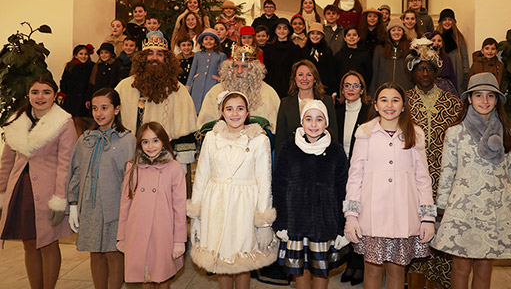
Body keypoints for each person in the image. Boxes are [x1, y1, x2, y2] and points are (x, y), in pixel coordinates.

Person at [432, 73, 511, 289]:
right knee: (460, 267)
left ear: (497, 99)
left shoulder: (509, 133)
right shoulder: (455, 133)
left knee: (485, 268)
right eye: (478, 95)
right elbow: (448, 172)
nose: (484, 101)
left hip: (495, 208)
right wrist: (441, 209)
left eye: (490, 96)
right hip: (463, 208)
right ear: (469, 98)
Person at [344, 82, 435, 289]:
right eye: (384, 100)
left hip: (403, 215)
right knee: (373, 271)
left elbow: (423, 178)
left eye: (395, 100)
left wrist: (427, 218)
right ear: (375, 105)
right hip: (372, 216)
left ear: (403, 106)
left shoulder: (415, 133)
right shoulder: (364, 133)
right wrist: (351, 216)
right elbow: (355, 177)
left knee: (396, 271)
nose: (389, 105)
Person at [188, 91, 278, 288]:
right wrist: (196, 215)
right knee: (221, 260)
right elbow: (202, 176)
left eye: (240, 108)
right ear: (221, 112)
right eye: (229, 109)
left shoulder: (259, 140)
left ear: (247, 113)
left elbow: (264, 182)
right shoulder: (212, 138)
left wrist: (263, 223)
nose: (234, 113)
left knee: (242, 260)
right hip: (216, 206)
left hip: (244, 208)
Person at [0, 75, 78, 289]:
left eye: (46, 92)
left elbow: (66, 163)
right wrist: (2, 192)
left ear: (55, 95)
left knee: (48, 243)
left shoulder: (64, 122)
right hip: (21, 189)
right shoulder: (17, 120)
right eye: (35, 92)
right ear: (29, 94)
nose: (40, 97)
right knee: (29, 243)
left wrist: (60, 198)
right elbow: (7, 160)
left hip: (49, 192)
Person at [273, 99, 349, 289]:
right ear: (302, 121)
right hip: (295, 222)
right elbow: (279, 186)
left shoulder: (336, 151)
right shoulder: (289, 148)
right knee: (300, 271)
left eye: (319, 119)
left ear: (326, 123)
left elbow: (343, 190)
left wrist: (342, 226)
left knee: (321, 271)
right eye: (308, 119)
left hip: (325, 223)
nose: (313, 124)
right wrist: (280, 222)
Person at [404, 45, 462, 289]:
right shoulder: (403, 101)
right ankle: (415, 281)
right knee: (415, 230)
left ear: (436, 72)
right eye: (420, 69)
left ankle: (440, 282)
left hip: (445, 177)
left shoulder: (453, 103)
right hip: (412, 177)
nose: (425, 73)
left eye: (429, 68)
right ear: (413, 73)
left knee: (443, 230)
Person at [67, 88, 135, 289]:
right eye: (95, 108)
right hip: (90, 205)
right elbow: (76, 172)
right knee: (94, 252)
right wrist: (73, 203)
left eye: (105, 108)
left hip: (115, 206)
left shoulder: (127, 140)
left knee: (113, 253)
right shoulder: (85, 139)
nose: (99, 113)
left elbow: (132, 179)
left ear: (117, 109)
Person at [118, 122, 187, 288]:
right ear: (140, 144)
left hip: (162, 231)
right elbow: (125, 203)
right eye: (145, 141)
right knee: (144, 276)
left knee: (163, 275)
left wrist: (179, 240)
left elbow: (180, 208)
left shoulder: (174, 168)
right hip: (137, 230)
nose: (150, 146)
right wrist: (122, 235)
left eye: (155, 140)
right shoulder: (132, 167)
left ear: (163, 141)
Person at [115, 38, 197, 166]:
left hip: (166, 161)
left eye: (159, 54)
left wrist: (180, 163)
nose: (154, 57)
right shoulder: (124, 87)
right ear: (142, 58)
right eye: (149, 53)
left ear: (167, 59)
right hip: (130, 158)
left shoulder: (178, 90)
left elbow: (186, 128)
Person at [335, 71, 371, 286]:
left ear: (362, 89)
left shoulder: (369, 112)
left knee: (360, 215)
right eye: (346, 85)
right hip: (341, 170)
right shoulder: (336, 109)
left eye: (355, 85)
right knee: (344, 216)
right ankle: (349, 262)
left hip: (363, 170)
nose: (350, 89)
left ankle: (360, 264)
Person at [197, 44, 280, 133]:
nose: (239, 71)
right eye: (235, 66)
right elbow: (205, 126)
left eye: (244, 66)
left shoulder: (268, 93)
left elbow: (274, 128)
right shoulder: (215, 92)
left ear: (253, 69)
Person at [274, 60, 338, 157]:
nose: (304, 78)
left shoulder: (326, 101)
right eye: (300, 75)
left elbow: (333, 134)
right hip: (293, 159)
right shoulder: (285, 103)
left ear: (315, 79)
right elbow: (280, 140)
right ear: (294, 79)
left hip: (321, 158)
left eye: (309, 75)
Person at [185, 28, 227, 114]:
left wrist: (222, 83)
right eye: (206, 39)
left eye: (211, 39)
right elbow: (192, 71)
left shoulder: (221, 56)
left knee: (210, 104)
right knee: (196, 105)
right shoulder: (197, 55)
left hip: (213, 83)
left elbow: (224, 72)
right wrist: (188, 85)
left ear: (215, 42)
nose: (208, 41)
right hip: (198, 84)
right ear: (202, 42)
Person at [370, 18, 413, 94]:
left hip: (404, 91)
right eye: (393, 30)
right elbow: (375, 73)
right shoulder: (380, 49)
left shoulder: (410, 49)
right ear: (389, 32)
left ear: (403, 32)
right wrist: (373, 94)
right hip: (384, 91)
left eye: (399, 30)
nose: (396, 32)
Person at [59, 44, 95, 132]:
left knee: (85, 119)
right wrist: (63, 94)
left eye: (86, 54)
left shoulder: (92, 66)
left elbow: (92, 83)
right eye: (81, 54)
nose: (83, 56)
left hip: (85, 97)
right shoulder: (70, 66)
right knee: (74, 118)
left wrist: (89, 97)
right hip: (72, 97)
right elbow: (64, 81)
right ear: (75, 55)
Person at [263, 18, 302, 98]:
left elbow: (296, 69)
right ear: (275, 30)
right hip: (272, 83)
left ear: (288, 31)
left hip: (289, 84)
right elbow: (266, 68)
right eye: (279, 28)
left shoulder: (295, 49)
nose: (282, 31)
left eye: (285, 28)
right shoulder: (268, 48)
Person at [436, 8, 469, 94]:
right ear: (440, 22)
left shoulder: (459, 38)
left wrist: (466, 73)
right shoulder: (435, 38)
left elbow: (464, 57)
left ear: (453, 22)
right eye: (444, 20)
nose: (447, 22)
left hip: (456, 70)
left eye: (450, 20)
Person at [301, 22, 336, 94]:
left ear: (322, 36)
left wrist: (333, 91)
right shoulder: (303, 51)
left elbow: (331, 71)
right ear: (309, 35)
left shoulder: (327, 51)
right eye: (312, 33)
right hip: (306, 87)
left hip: (323, 88)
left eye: (318, 34)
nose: (315, 36)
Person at [334, 25, 372, 89]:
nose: (351, 37)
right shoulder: (338, 55)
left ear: (358, 38)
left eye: (354, 35)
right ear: (345, 38)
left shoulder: (365, 55)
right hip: (342, 90)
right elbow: (335, 75)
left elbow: (368, 75)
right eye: (348, 35)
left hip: (359, 90)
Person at [424, 31, 458, 96]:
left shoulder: (447, 58)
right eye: (433, 40)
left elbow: (452, 76)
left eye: (439, 41)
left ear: (442, 43)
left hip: (445, 87)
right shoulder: (426, 58)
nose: (436, 43)